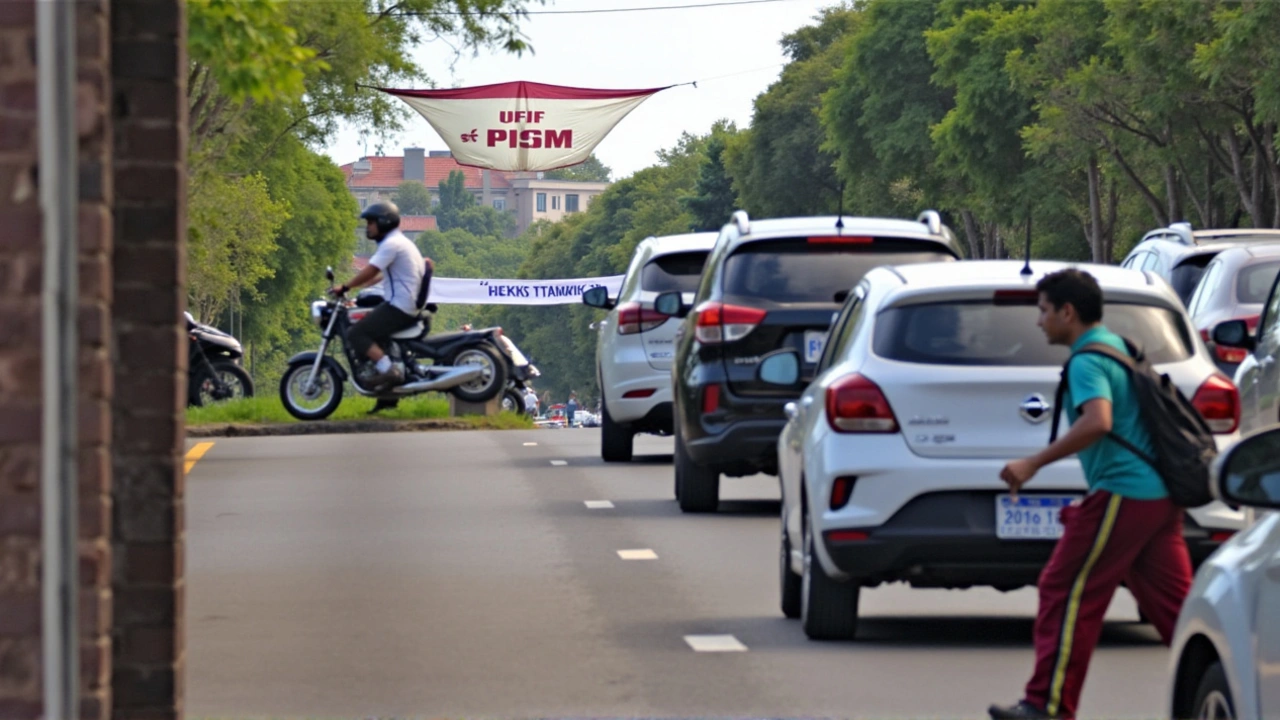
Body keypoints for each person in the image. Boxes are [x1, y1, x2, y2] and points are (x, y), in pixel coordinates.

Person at [989, 269, 1193, 720]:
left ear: (1068, 311)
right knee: (1182, 612)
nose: (1039, 323)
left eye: (1043, 312)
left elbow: (1097, 421)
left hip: (1124, 492)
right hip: (1158, 498)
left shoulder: (1086, 360)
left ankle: (1047, 705)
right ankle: (1235, 689)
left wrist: (1032, 463)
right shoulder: (1120, 346)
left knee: (1064, 591)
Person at [331, 201, 425, 390]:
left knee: (356, 333)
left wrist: (345, 287)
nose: (368, 227)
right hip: (405, 302)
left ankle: (389, 370)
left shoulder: (391, 244)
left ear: (384, 222)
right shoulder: (400, 241)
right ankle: (385, 391)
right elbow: (385, 273)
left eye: (371, 222)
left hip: (400, 305)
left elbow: (372, 269)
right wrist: (364, 286)